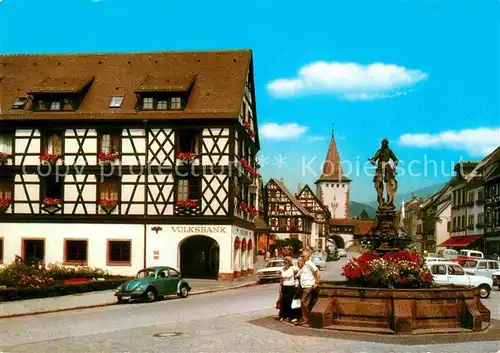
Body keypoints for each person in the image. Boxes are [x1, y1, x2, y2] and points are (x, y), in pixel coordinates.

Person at [297, 251, 320, 327]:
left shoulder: (310, 263)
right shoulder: (305, 265)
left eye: (303, 256)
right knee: (304, 303)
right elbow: (300, 274)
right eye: (301, 256)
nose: (302, 257)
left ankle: (306, 321)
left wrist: (316, 282)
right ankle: (304, 320)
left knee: (304, 302)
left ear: (308, 257)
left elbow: (317, 272)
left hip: (309, 286)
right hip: (304, 286)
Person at [278, 256, 298, 322]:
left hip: (291, 287)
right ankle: (283, 316)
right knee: (283, 302)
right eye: (284, 262)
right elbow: (281, 280)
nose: (285, 264)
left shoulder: (293, 269)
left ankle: (291, 316)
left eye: (286, 262)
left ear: (289, 263)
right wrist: (280, 289)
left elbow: (296, 277)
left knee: (290, 302)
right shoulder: (282, 269)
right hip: (284, 287)